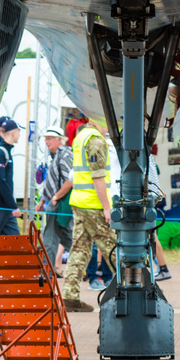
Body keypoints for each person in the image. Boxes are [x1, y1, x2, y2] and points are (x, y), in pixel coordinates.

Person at [61, 115, 118, 311]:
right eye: (108, 122)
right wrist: (107, 207)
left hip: (79, 201)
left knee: (79, 249)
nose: (110, 126)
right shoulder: (95, 140)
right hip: (92, 204)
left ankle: (70, 296)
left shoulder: (81, 136)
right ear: (96, 120)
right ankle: (132, 288)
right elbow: (98, 177)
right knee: (112, 246)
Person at [39, 127, 73, 275]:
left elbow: (69, 181)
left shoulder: (64, 155)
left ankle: (47, 271)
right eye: (46, 139)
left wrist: (56, 197)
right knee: (67, 237)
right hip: (57, 203)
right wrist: (42, 201)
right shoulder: (56, 155)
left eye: (50, 138)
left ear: (59, 139)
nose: (47, 142)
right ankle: (89, 265)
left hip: (59, 204)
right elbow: (51, 183)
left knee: (50, 237)